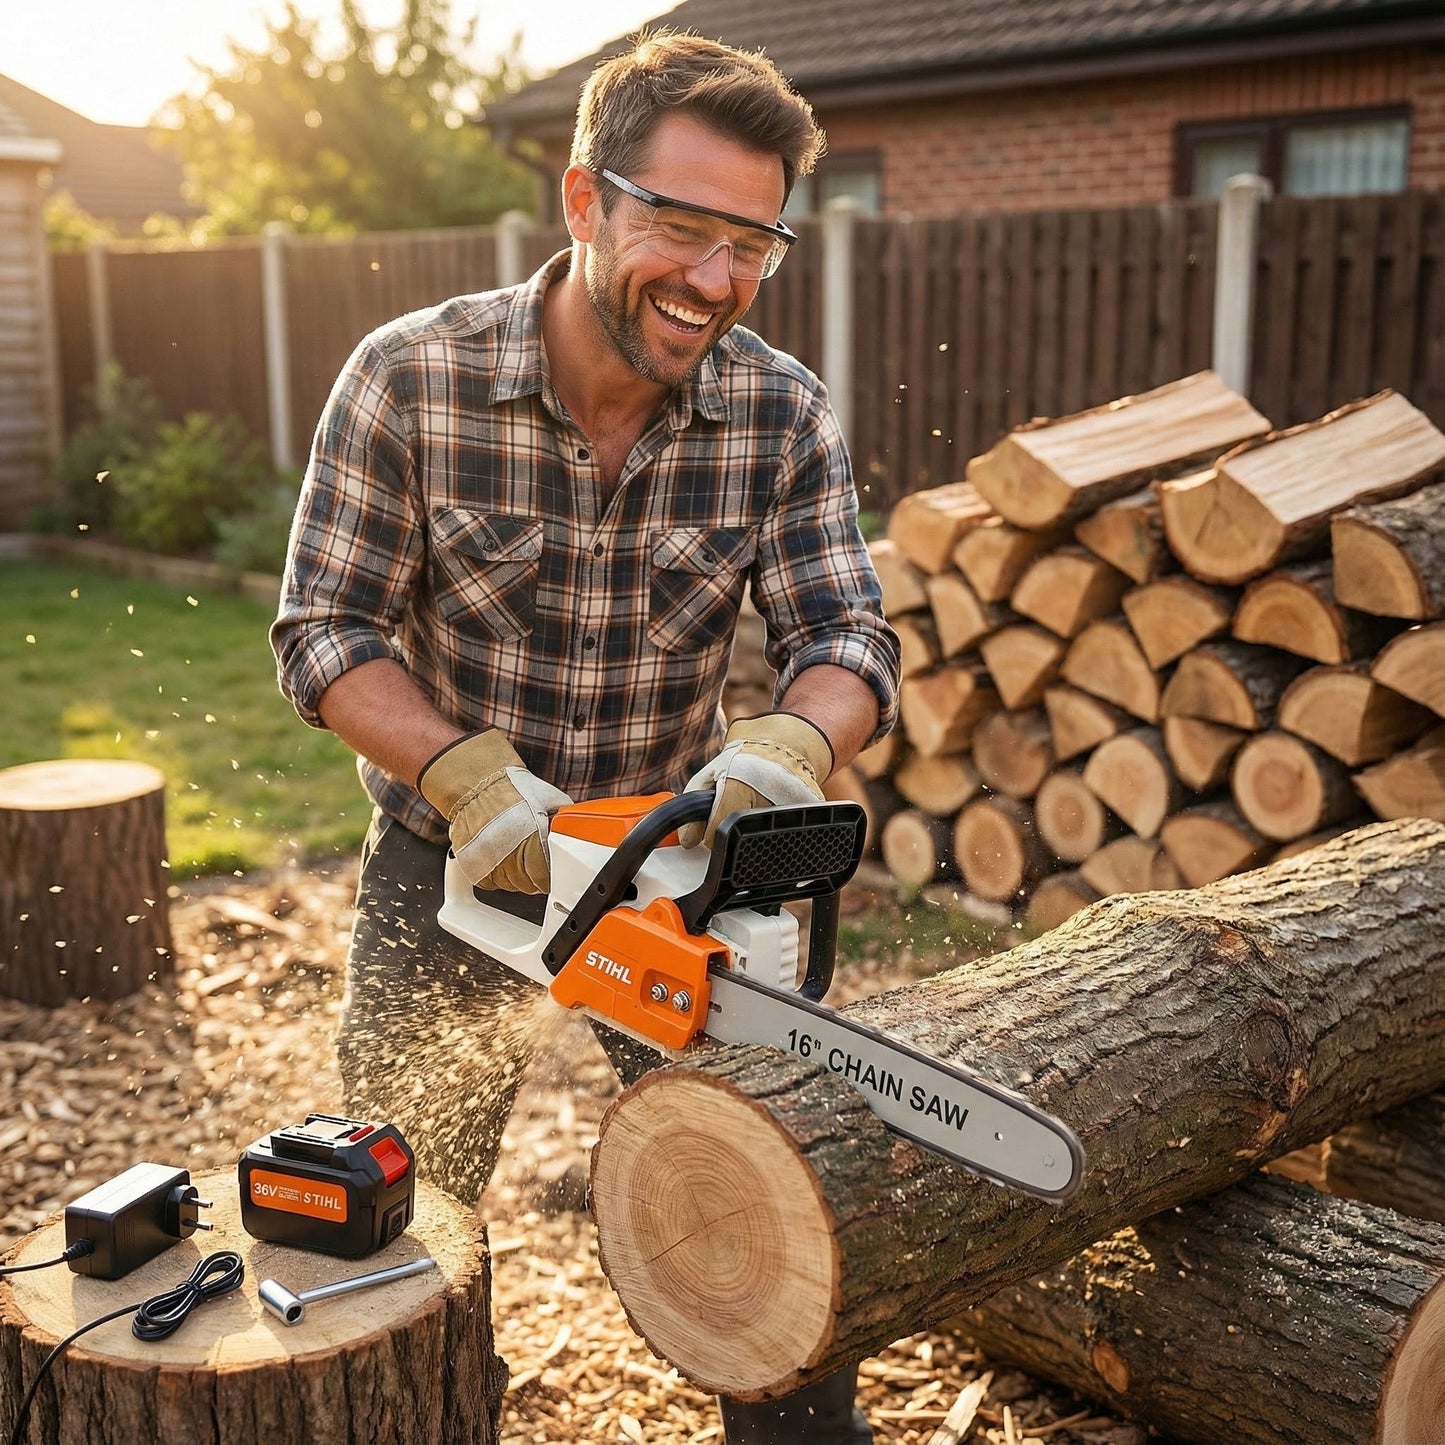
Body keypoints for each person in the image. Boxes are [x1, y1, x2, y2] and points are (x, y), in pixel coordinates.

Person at [272, 30, 899, 1444]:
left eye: (753, 244)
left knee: (772, 1198)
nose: (714, 281)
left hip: (670, 877)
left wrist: (787, 750)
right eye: (680, 227)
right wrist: (458, 768)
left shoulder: (777, 412)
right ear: (582, 202)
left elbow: (846, 638)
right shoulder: (411, 379)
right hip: (454, 864)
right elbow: (322, 629)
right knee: (391, 1227)